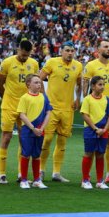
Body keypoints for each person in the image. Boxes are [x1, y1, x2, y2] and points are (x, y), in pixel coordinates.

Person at [0, 40, 39, 184]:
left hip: (26, 108)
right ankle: (2, 174)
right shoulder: (7, 62)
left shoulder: (33, 64)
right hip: (9, 106)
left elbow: (36, 83)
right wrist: (5, 98)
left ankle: (22, 173)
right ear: (18, 49)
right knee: (7, 137)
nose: (24, 58)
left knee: (24, 139)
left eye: (27, 56)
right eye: (22, 55)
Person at [39, 41, 83, 182]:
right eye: (67, 50)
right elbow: (39, 79)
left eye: (72, 51)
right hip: (51, 108)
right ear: (61, 51)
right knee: (47, 139)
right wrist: (44, 97)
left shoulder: (78, 66)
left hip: (67, 109)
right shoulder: (52, 62)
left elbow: (79, 84)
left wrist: (78, 99)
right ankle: (41, 170)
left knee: (62, 141)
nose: (70, 53)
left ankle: (56, 173)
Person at [83, 39, 109, 185]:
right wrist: (85, 103)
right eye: (105, 46)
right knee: (92, 145)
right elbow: (86, 86)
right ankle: (87, 177)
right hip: (95, 110)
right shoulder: (91, 65)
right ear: (98, 49)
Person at [17, 74, 52, 189]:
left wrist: (41, 128)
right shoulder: (24, 98)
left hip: (40, 130)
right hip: (28, 130)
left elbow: (48, 113)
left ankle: (37, 180)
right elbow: (22, 114)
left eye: (40, 82)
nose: (39, 84)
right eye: (36, 82)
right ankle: (24, 180)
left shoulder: (44, 97)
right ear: (28, 84)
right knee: (26, 154)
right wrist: (33, 128)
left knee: (37, 155)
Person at [80, 76, 109, 189]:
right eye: (100, 84)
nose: (102, 87)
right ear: (93, 86)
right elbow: (85, 115)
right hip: (90, 130)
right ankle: (85, 180)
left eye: (103, 84)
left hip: (103, 131)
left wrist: (105, 129)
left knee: (100, 154)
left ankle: (100, 181)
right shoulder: (87, 99)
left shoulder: (107, 99)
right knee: (88, 153)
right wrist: (95, 128)